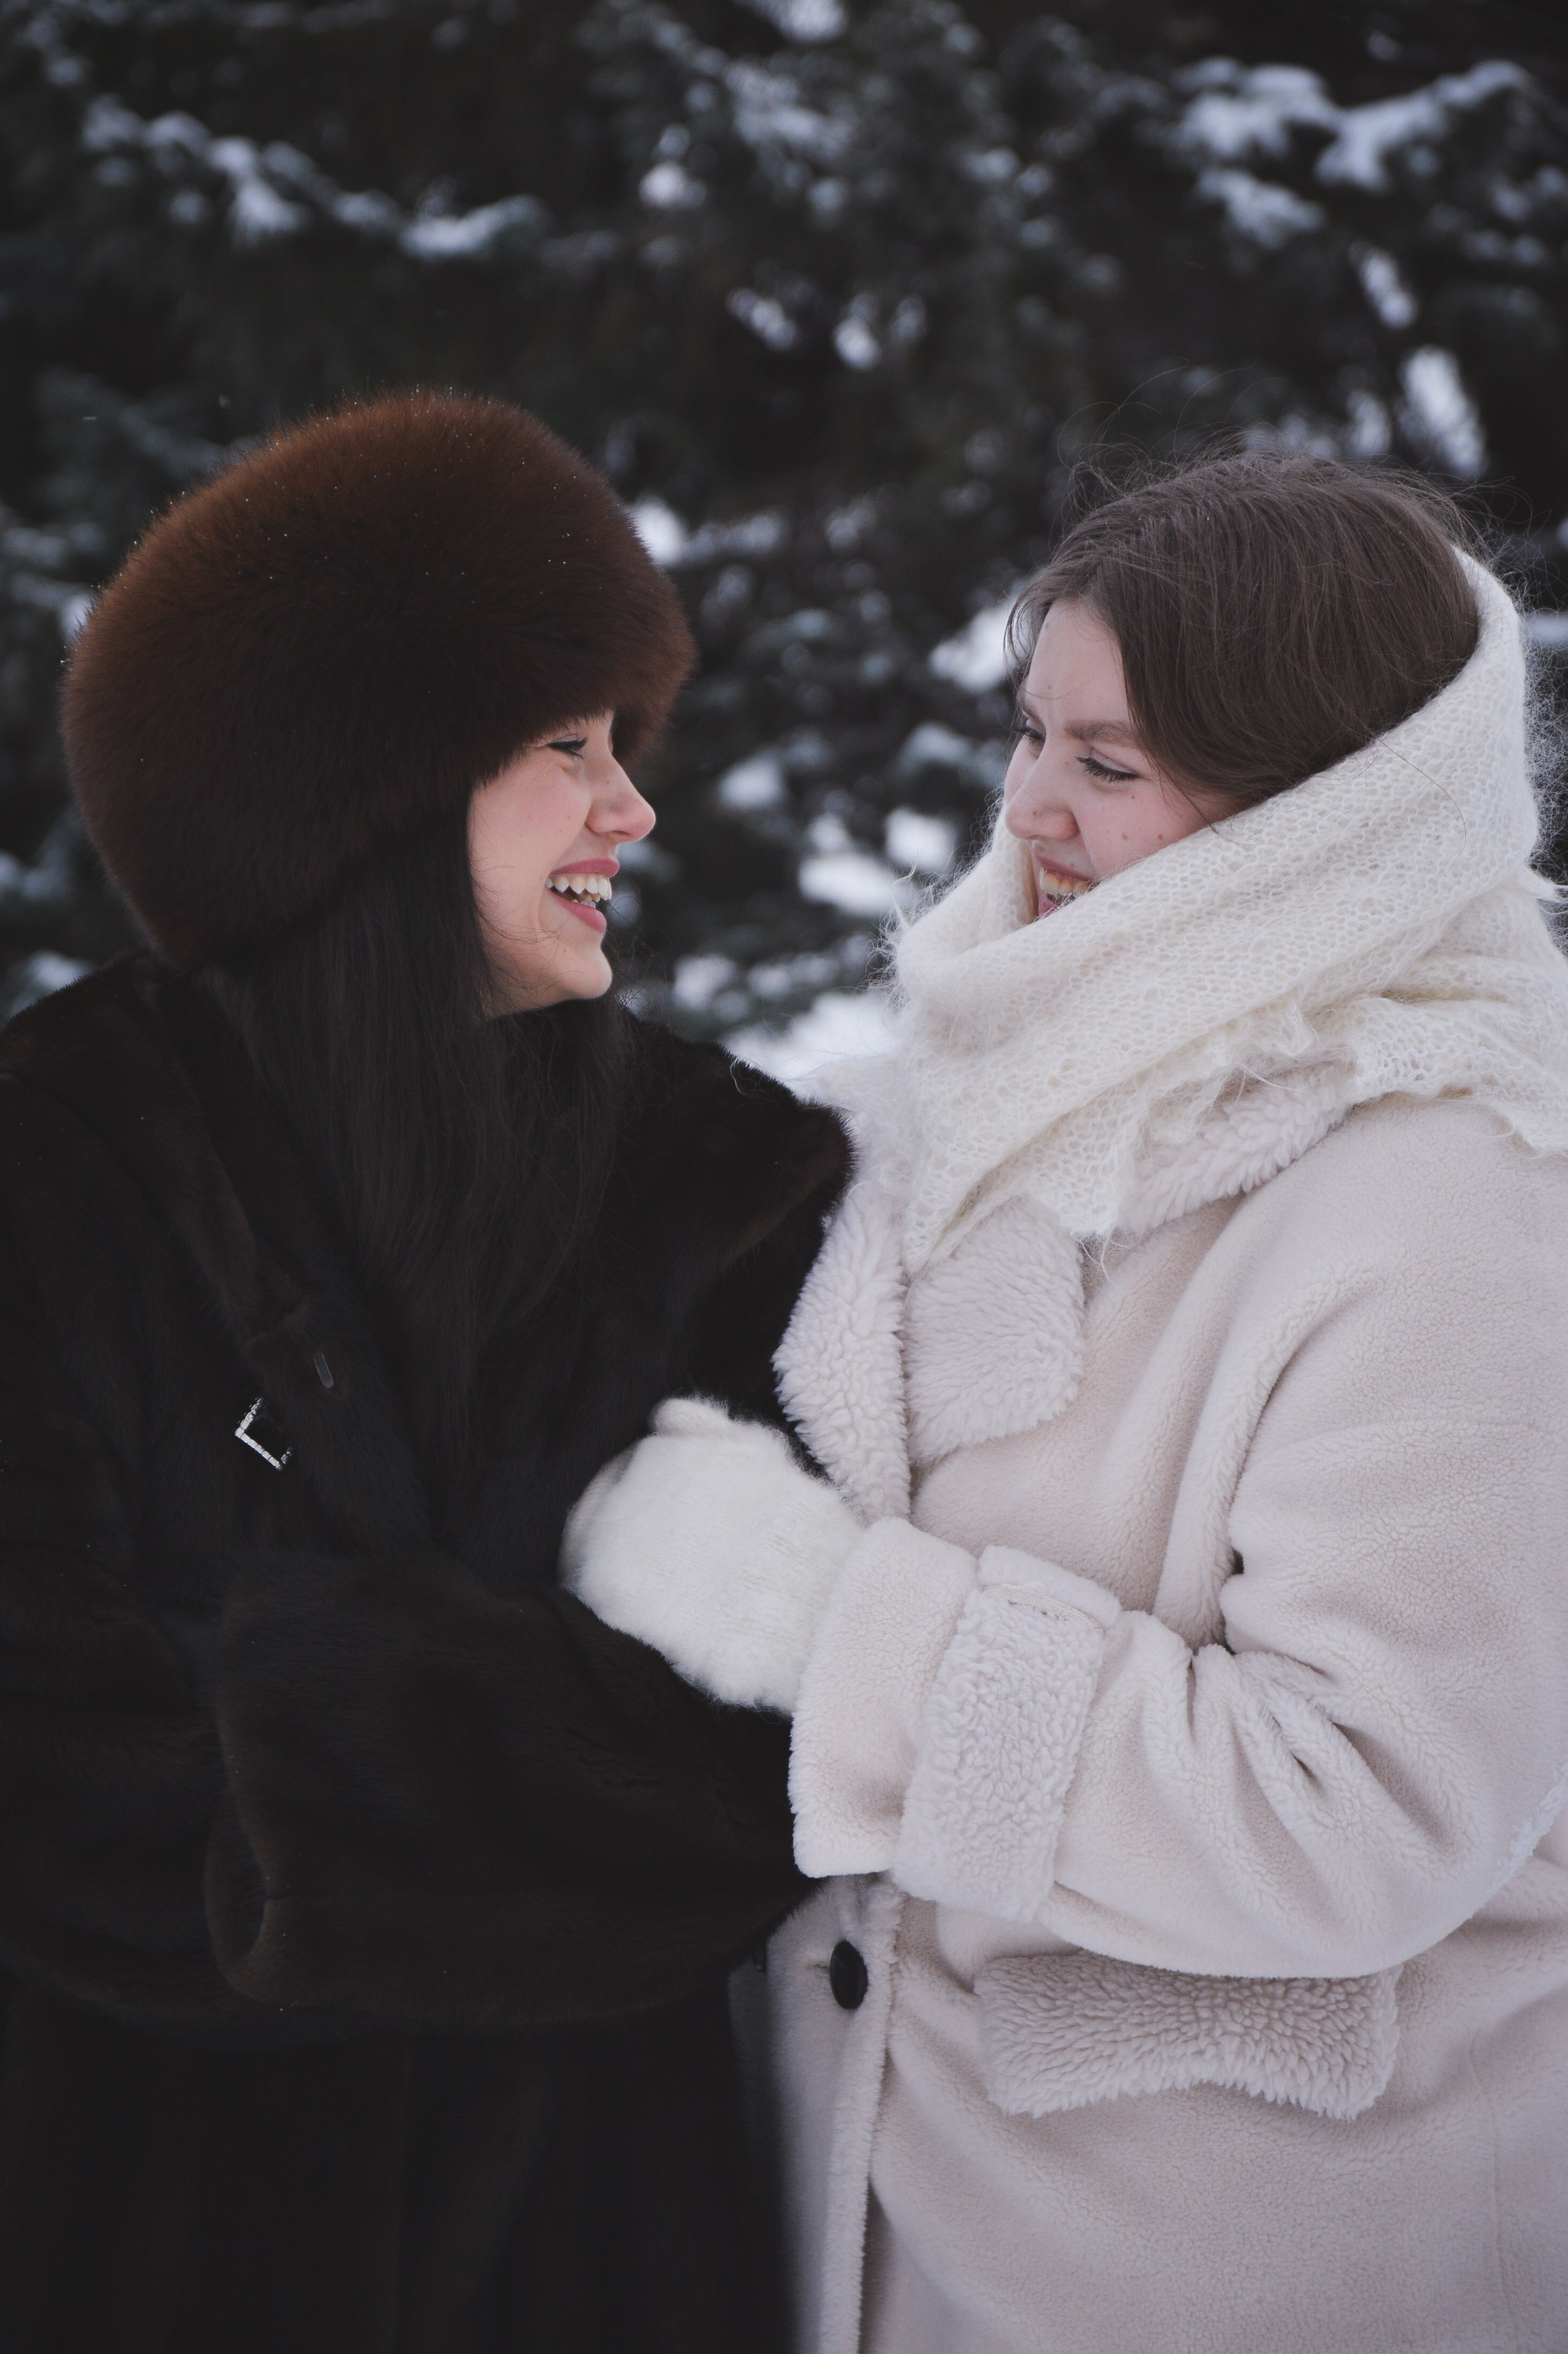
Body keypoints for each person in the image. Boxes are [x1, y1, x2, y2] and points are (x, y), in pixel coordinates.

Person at [564, 452, 1568, 2353]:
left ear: (1326, 814)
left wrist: (817, 1623)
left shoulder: (1461, 1190)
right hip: (892, 2232)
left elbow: (1356, 1804)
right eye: (1033, 733)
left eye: (1111, 765)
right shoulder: (966, 1108)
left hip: (1236, 2274)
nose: (1029, 807)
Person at [0, 390, 848, 2354]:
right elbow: (43, 1792)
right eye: (565, 747)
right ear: (353, 788)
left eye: (626, 744)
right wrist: (528, 1717)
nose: (634, 808)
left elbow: (772, 1754)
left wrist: (262, 1694)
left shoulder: (729, 1185)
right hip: (137, 2256)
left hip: (609, 2260)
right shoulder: (31, 1171)